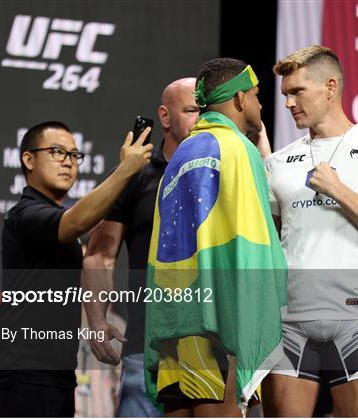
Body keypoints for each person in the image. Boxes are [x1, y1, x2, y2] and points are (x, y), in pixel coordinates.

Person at [262, 45, 358, 417]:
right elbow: (266, 248)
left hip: (356, 322)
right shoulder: (277, 163)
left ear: (330, 87)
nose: (288, 103)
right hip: (288, 325)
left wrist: (338, 190)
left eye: (297, 91)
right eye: (285, 94)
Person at [144, 58, 287, 417]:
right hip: (221, 320)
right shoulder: (238, 148)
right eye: (256, 96)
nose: (259, 105)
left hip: (177, 320)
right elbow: (250, 239)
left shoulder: (182, 154)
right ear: (239, 99)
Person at [0, 121, 153, 417]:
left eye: (75, 155)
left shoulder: (57, 219)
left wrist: (97, 320)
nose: (68, 162)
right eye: (57, 152)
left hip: (56, 378)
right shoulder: (25, 214)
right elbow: (78, 221)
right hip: (21, 378)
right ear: (28, 159)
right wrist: (125, 170)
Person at [82, 77, 200, 417]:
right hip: (146, 345)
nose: (201, 119)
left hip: (213, 345)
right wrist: (96, 320)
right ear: (165, 117)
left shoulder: (222, 172)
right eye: (191, 110)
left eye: (205, 111)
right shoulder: (135, 175)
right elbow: (101, 253)